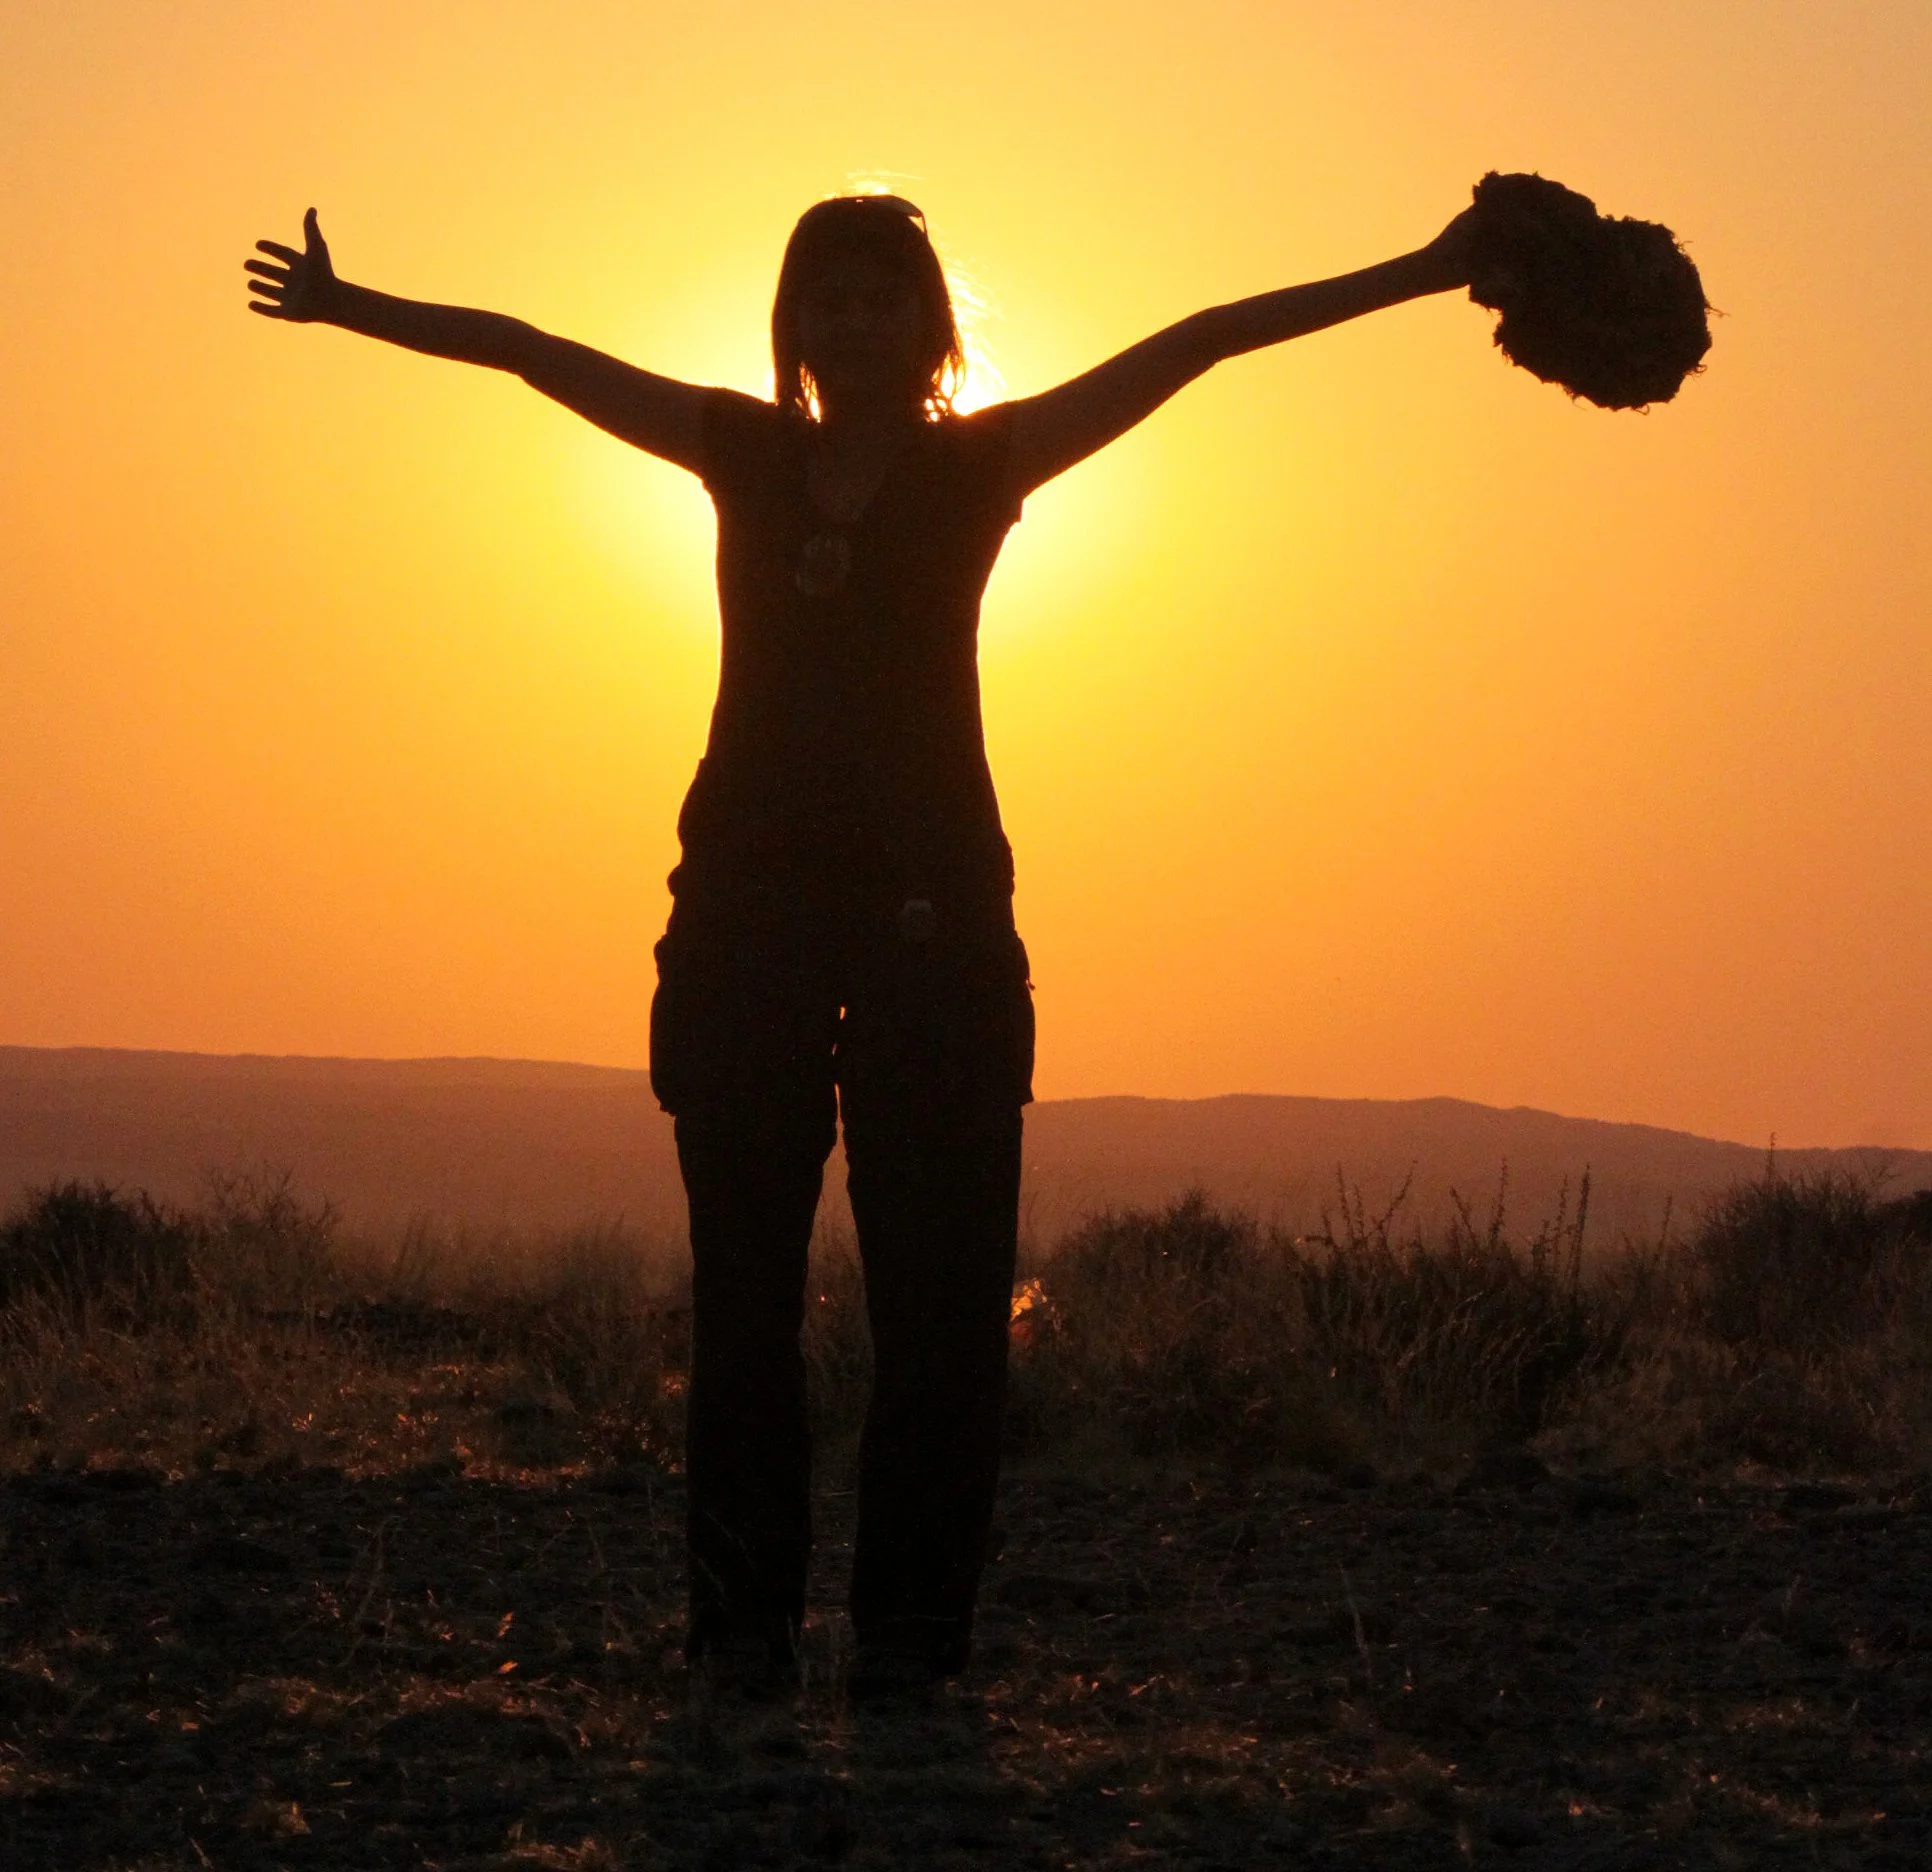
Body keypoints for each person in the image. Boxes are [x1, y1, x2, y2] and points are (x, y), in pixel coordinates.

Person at [245, 192, 1477, 1695]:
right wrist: (348, 303)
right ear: (793, 329)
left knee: (945, 1316)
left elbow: (1206, 341)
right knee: (744, 1304)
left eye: (879, 298)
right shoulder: (740, 450)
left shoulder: (985, 466)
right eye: (824, 300)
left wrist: (1424, 270)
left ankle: (908, 1650)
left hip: (936, 921)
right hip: (747, 916)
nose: (851, 324)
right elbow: (529, 352)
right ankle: (739, 1640)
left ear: (929, 323)